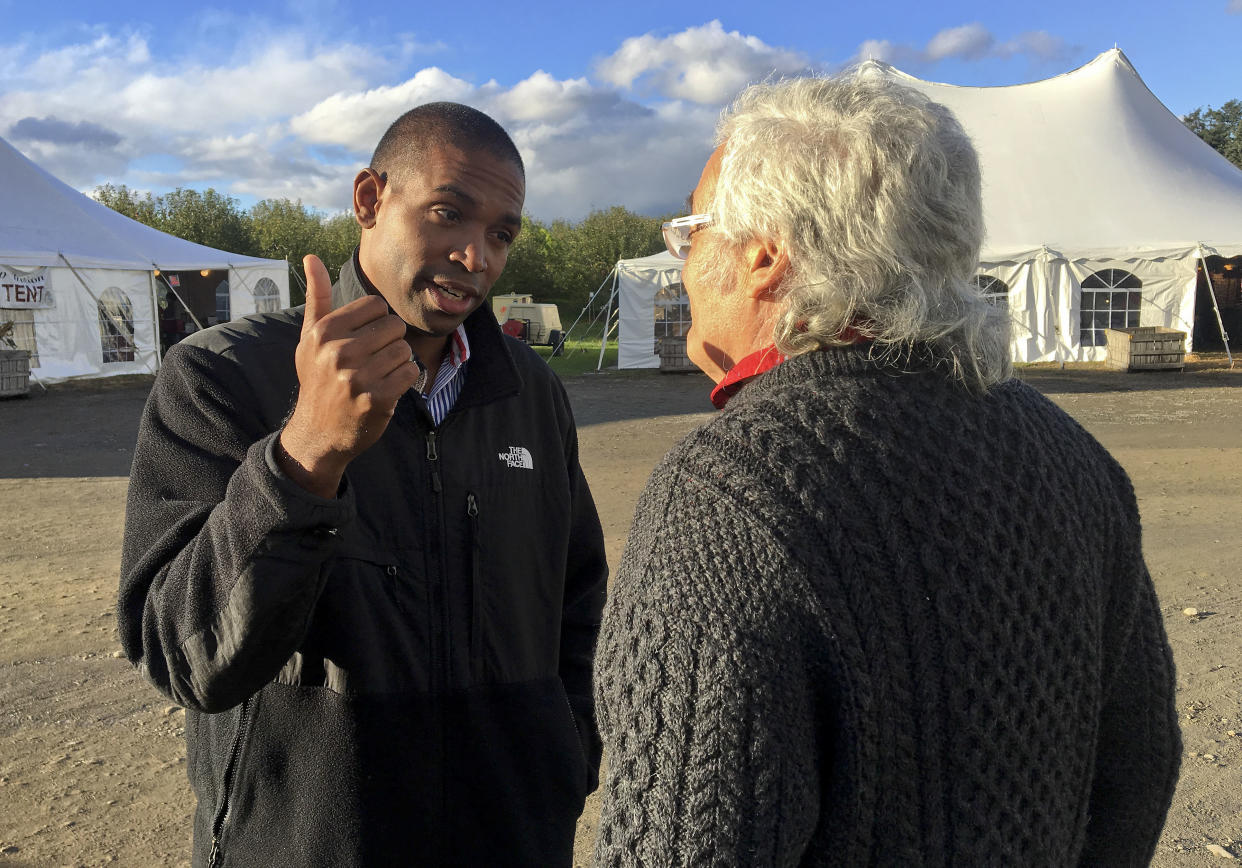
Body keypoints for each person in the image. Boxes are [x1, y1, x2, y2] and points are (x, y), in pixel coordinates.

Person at [592, 75, 1180, 866]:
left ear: (764, 254)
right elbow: (1140, 763)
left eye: (691, 234)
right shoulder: (1076, 458)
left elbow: (681, 846)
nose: (683, 262)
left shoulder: (725, 494)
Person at [118, 102, 607, 867]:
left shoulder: (531, 393)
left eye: (502, 234)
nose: (476, 255)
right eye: (449, 214)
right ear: (369, 200)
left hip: (513, 840)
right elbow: (183, 653)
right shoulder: (221, 376)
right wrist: (305, 454)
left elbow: (579, 600)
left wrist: (563, 760)